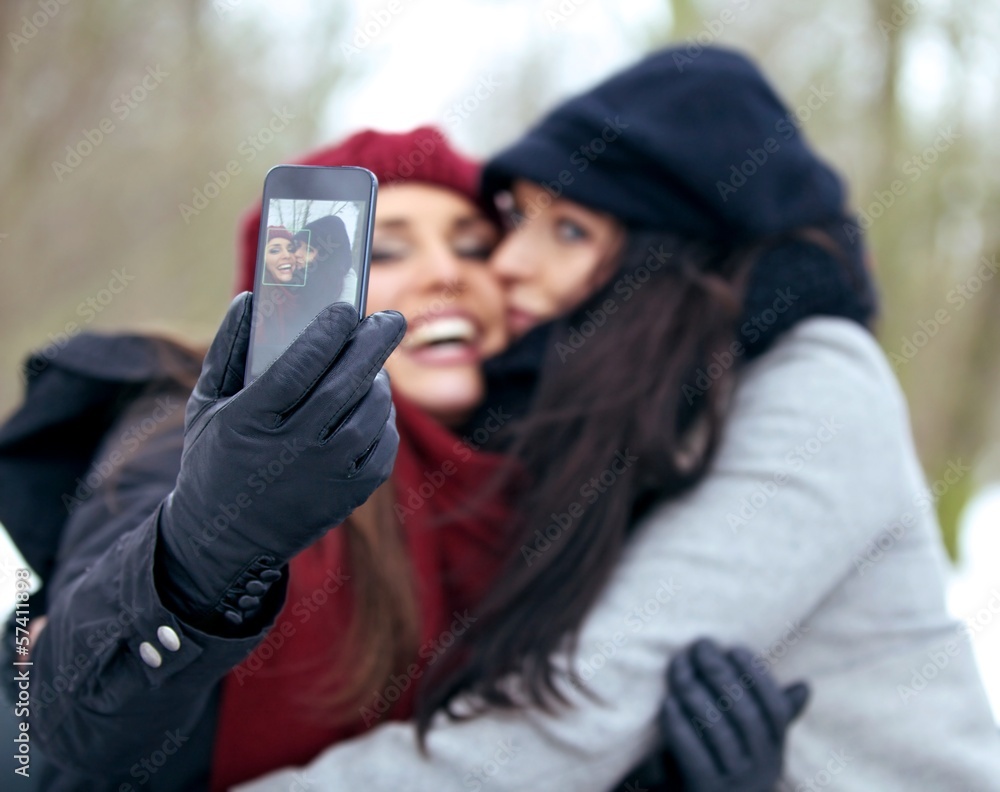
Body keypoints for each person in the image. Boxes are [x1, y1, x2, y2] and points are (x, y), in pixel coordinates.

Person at [233, 47, 1000, 792]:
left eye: (570, 231)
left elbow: (571, 722)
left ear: (664, 260)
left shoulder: (815, 387)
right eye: (517, 217)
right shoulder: (591, 409)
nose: (506, 262)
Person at [0, 126, 797, 791]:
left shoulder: (554, 501)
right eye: (383, 252)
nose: (449, 273)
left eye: (475, 246)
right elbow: (59, 722)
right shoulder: (183, 435)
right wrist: (209, 540)